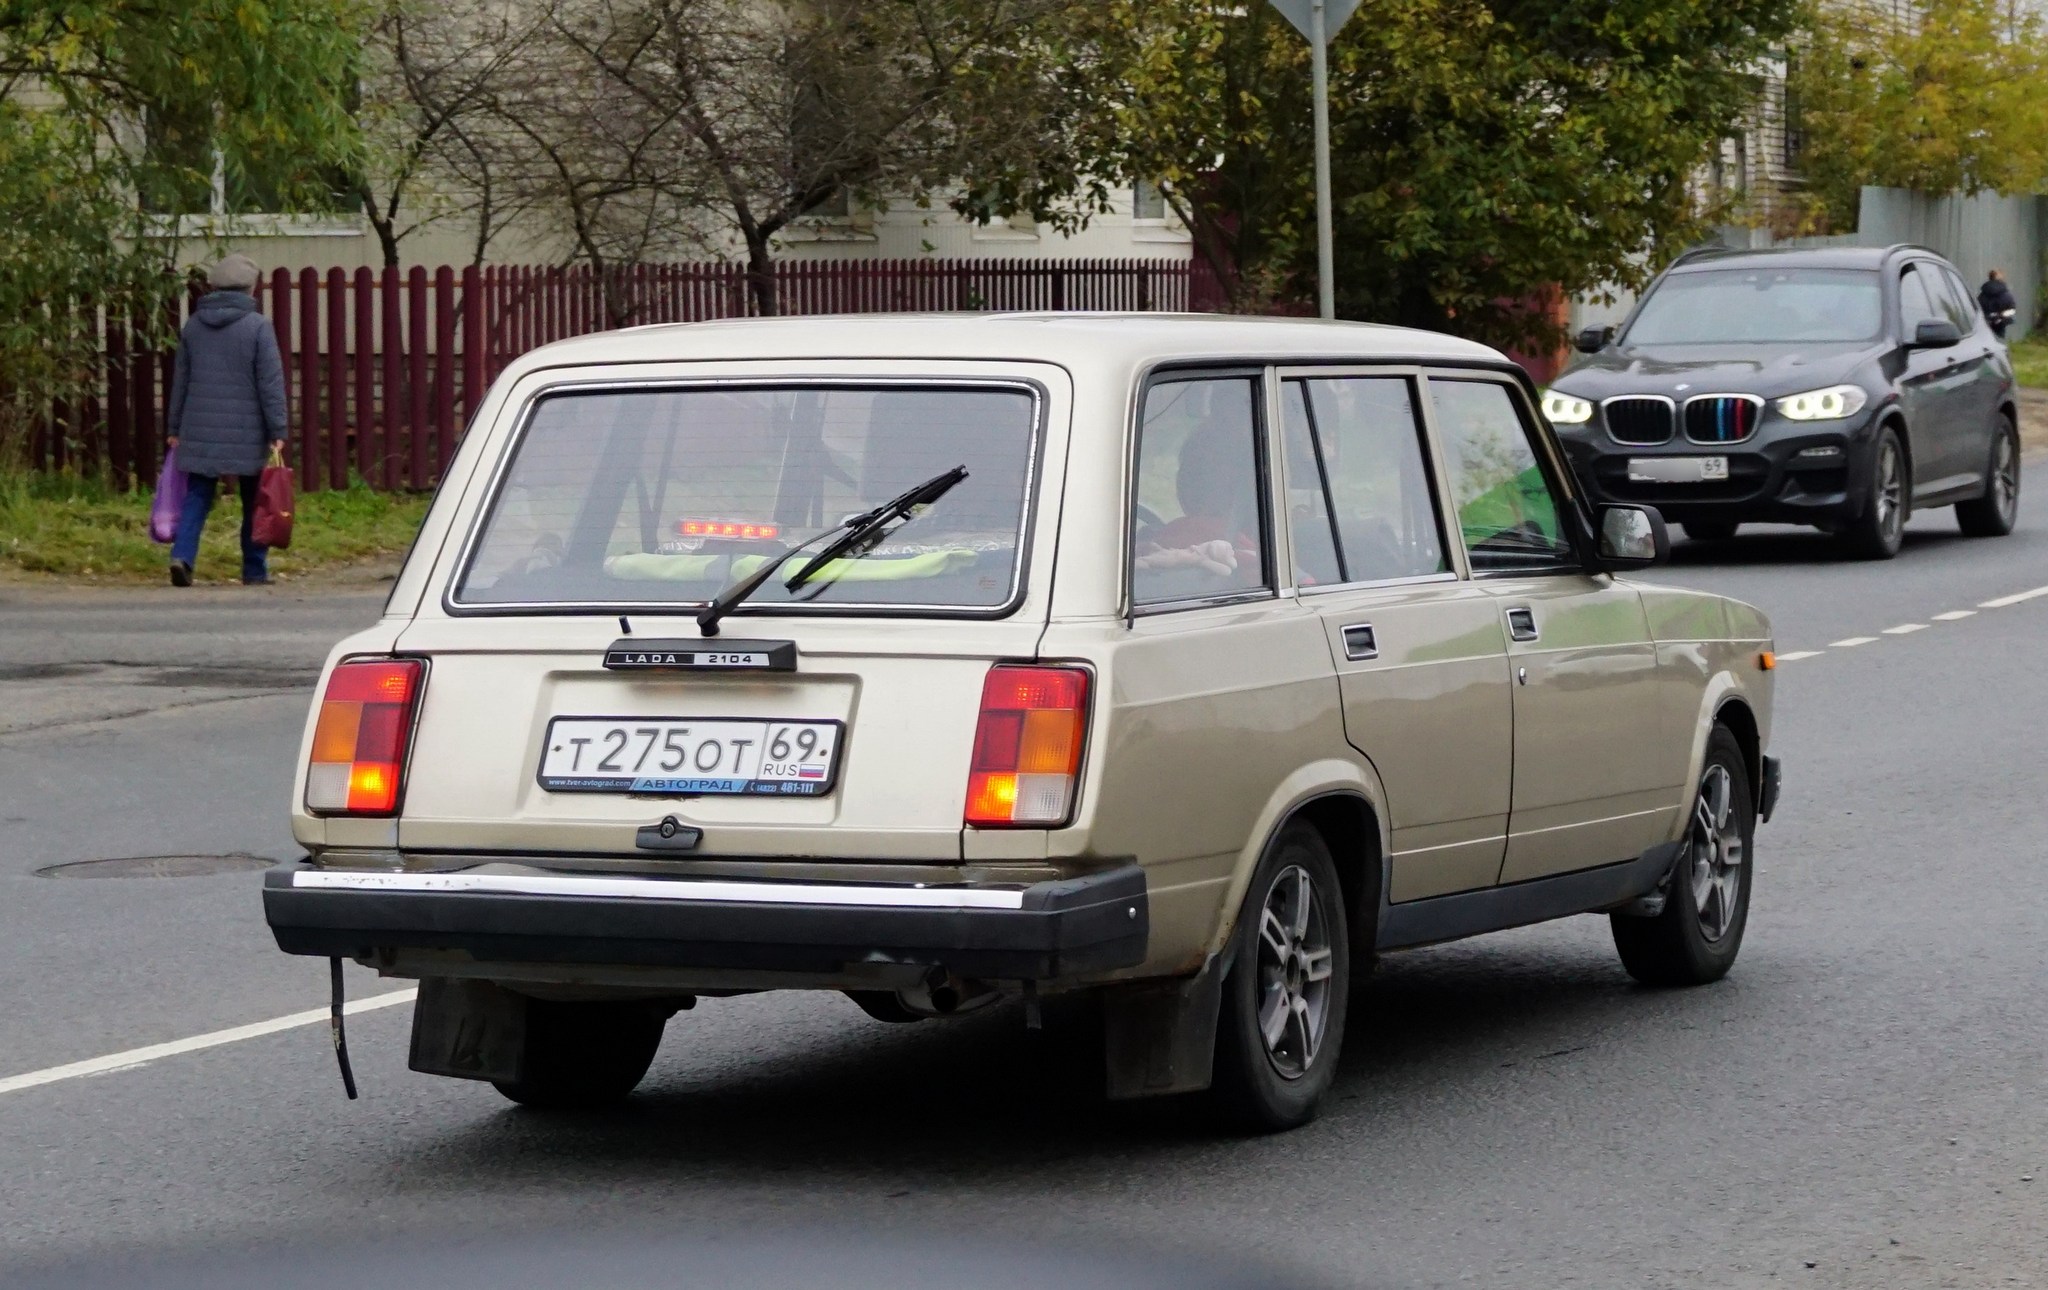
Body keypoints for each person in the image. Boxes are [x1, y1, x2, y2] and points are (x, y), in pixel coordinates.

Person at [164, 253, 288, 586]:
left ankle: (183, 556)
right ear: (250, 289)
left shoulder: (194, 326)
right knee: (254, 499)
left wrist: (175, 428)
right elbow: (270, 384)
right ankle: (254, 569)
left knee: (198, 494)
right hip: (247, 430)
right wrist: (278, 429)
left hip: (199, 427)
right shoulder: (258, 327)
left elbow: (181, 382)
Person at [1978, 268, 2018, 340]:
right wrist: (2001, 316)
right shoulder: (2006, 295)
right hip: (2000, 324)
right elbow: (2012, 309)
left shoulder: (1982, 295)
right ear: (2001, 280)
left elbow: (1977, 308)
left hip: (1985, 323)